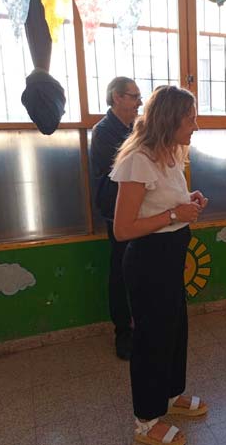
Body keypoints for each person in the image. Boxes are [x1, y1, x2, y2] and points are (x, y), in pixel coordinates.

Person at [110, 86, 209, 445]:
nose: (196, 126)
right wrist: (173, 213)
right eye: (190, 118)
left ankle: (169, 394)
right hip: (149, 260)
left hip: (171, 257)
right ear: (169, 119)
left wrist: (187, 202)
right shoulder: (138, 160)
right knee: (152, 339)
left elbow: (166, 204)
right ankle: (146, 420)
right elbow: (123, 229)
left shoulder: (171, 152)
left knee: (175, 329)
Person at [90, 76, 142, 360]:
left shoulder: (136, 127)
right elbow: (124, 168)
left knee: (139, 269)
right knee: (121, 270)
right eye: (134, 96)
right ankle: (123, 331)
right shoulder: (104, 131)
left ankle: (140, 324)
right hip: (117, 210)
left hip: (142, 209)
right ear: (117, 97)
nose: (138, 103)